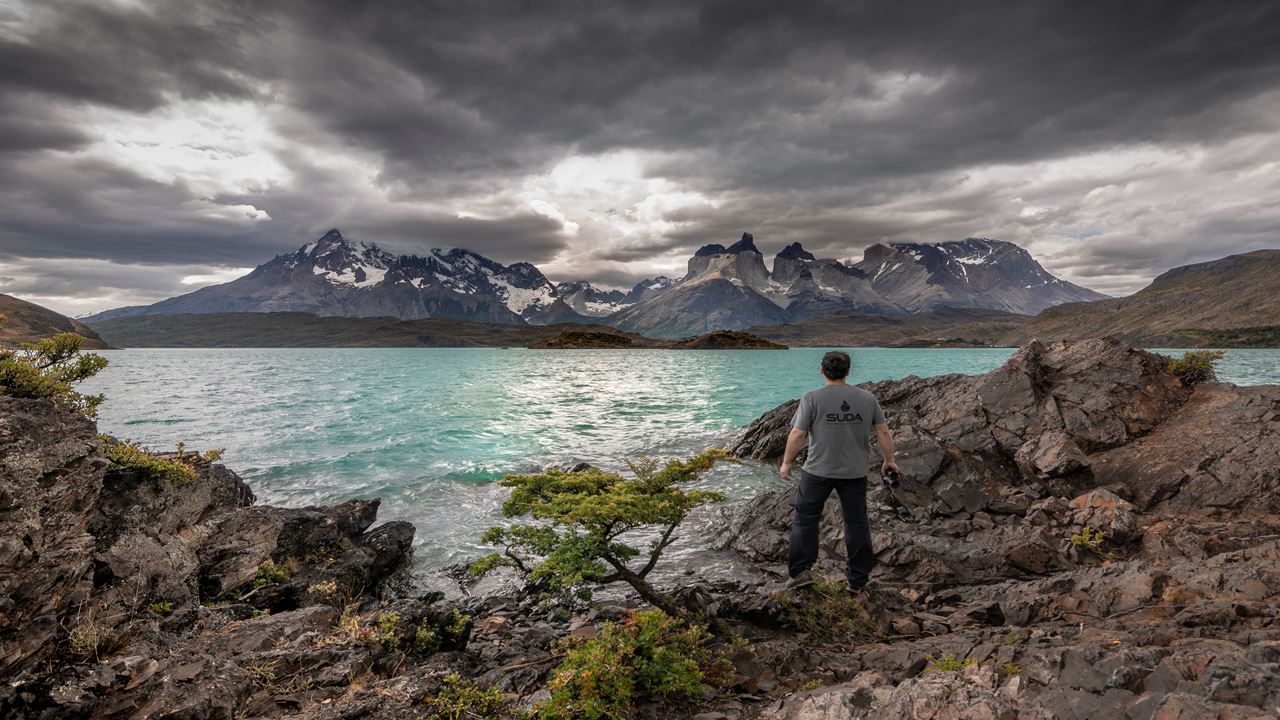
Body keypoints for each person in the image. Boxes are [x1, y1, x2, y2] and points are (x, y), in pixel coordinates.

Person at [780, 350, 898, 596]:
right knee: (856, 523)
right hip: (854, 473)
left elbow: (798, 434)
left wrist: (787, 463)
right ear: (848, 371)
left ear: (822, 370)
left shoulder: (811, 398)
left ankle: (800, 572)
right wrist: (889, 460)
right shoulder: (867, 398)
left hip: (817, 471)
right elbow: (883, 431)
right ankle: (857, 580)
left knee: (806, 519)